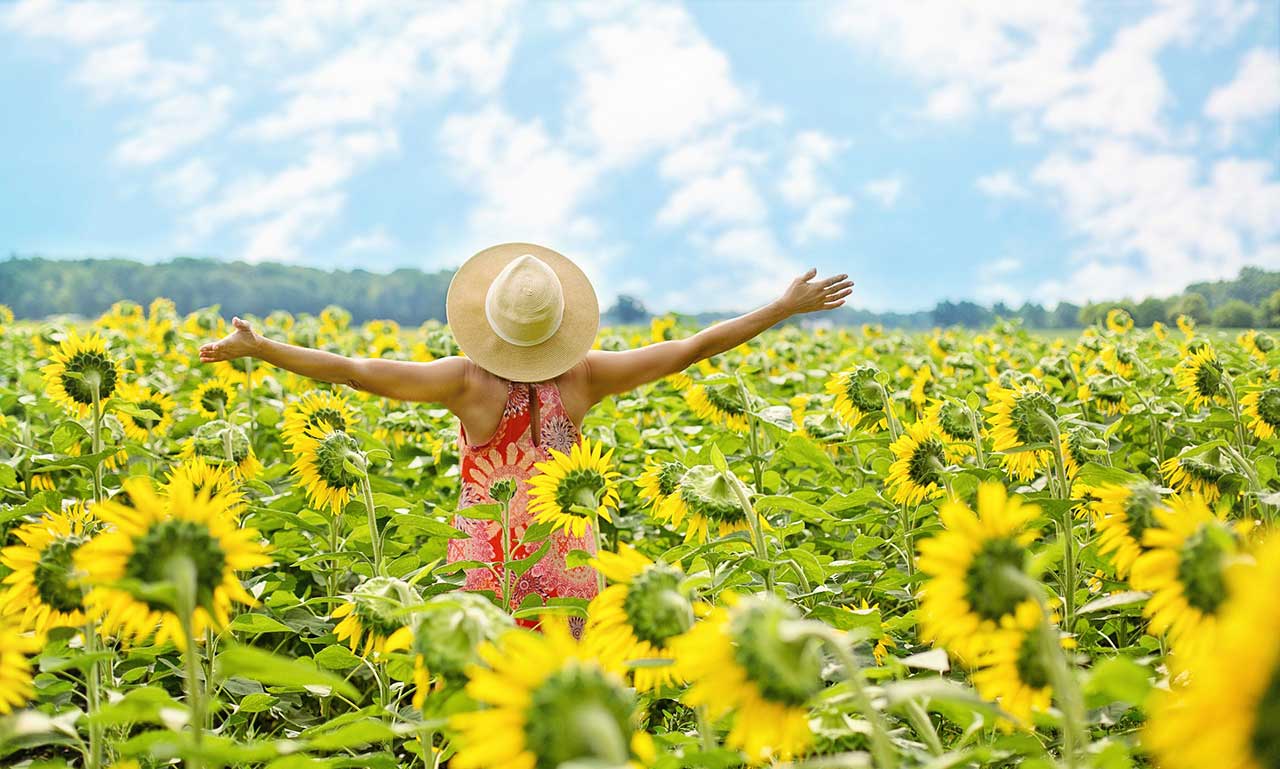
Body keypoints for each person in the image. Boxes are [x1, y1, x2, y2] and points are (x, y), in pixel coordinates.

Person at [199, 242, 852, 622]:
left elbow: (356, 370)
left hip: (494, 572)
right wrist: (781, 308)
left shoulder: (468, 383)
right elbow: (691, 348)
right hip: (572, 571)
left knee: (496, 714)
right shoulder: (586, 376)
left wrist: (264, 349)